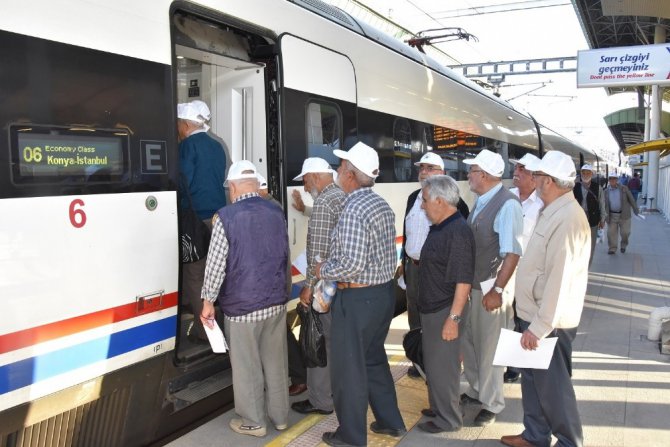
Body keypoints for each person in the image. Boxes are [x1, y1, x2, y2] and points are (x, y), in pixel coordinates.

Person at [315, 142, 406, 447]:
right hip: (382, 294)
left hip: (357, 300)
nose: (338, 171)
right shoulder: (379, 204)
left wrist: (322, 269)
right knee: (373, 360)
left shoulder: (353, 208)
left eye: (342, 167)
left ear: (352, 175)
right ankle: (390, 421)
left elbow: (352, 264)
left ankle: (351, 437)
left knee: (348, 370)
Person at [500, 151, 589, 447]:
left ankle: (569, 442)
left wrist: (538, 328)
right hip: (534, 313)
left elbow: (559, 280)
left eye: (537, 176)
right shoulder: (552, 210)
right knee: (533, 381)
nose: (533, 180)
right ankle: (535, 435)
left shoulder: (567, 219)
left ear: (549, 181)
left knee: (554, 389)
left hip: (548, 321)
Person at [200, 160, 289, 438]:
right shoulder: (277, 212)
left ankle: (253, 421)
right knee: (276, 361)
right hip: (275, 302)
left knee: (247, 365)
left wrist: (207, 302)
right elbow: (283, 256)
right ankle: (281, 417)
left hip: (243, 307)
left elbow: (215, 266)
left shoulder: (225, 217)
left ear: (234, 187)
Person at [461, 149, 523, 427]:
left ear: (484, 175)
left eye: (471, 171)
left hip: (490, 288)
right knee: (472, 342)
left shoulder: (507, 204)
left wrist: (497, 290)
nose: (468, 175)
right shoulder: (481, 201)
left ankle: (493, 402)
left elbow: (512, 253)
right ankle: (476, 391)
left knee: (491, 349)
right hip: (475, 286)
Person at [399, 152, 469, 378]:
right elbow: (407, 233)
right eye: (421, 168)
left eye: (430, 168)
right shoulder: (412, 198)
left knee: (436, 319)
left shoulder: (457, 206)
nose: (423, 172)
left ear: (442, 174)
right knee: (415, 316)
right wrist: (404, 262)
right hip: (413, 267)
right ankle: (420, 358)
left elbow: (459, 251)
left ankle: (441, 365)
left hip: (437, 275)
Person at [415, 175, 475, 435]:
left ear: (440, 200)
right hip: (433, 308)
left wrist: (454, 319)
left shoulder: (457, 231)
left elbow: (463, 281)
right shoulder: (440, 226)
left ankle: (449, 419)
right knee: (435, 365)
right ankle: (441, 407)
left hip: (444, 310)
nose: (422, 206)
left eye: (425, 200)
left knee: (445, 367)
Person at [291, 157, 345, 416]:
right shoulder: (340, 196)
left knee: (318, 341)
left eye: (304, 179)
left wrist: (308, 286)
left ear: (314, 176)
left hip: (325, 286)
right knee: (333, 342)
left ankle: (321, 401)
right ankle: (333, 392)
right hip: (340, 284)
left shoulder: (324, 201)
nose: (304, 185)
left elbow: (318, 252)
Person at [177, 100, 227, 343]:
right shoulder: (218, 146)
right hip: (218, 219)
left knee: (195, 275)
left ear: (186, 124)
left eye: (178, 124)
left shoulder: (187, 147)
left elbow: (182, 182)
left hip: (196, 220)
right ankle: (223, 323)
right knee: (214, 272)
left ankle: (207, 333)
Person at [504, 153, 544, 384]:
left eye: (522, 170)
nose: (516, 173)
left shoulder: (542, 204)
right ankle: (511, 363)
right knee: (507, 319)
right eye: (516, 168)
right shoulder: (507, 198)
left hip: (529, 274)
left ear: (534, 177)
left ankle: (519, 365)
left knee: (523, 319)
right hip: (504, 270)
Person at [572, 164, 605, 267]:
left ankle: (587, 266)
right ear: (581, 173)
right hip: (577, 219)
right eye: (583, 172)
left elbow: (602, 203)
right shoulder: (575, 186)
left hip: (593, 219)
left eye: (588, 172)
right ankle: (577, 264)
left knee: (590, 245)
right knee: (577, 243)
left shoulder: (597, 188)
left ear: (592, 174)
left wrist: (602, 219)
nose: (585, 174)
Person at [604, 173, 639, 255]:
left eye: (614, 178)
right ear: (609, 180)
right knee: (611, 233)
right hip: (612, 215)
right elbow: (603, 204)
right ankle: (612, 248)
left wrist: (635, 209)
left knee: (625, 233)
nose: (612, 180)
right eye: (611, 178)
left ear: (617, 180)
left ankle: (623, 245)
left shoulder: (624, 188)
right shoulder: (606, 191)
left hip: (624, 215)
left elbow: (631, 199)